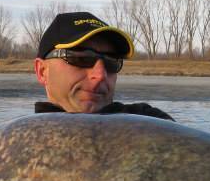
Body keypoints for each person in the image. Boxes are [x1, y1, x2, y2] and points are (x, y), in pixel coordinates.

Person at [33, 12, 173, 120]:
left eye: (111, 63)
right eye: (81, 59)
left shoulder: (150, 121)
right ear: (42, 71)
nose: (100, 75)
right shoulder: (18, 140)